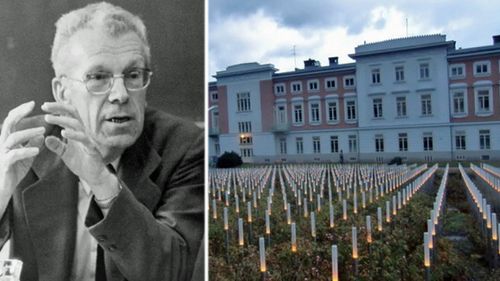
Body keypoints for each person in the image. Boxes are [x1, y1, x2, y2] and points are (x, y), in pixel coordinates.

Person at [0, 2, 204, 281]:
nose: (120, 94)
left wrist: (102, 182)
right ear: (63, 92)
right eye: (98, 77)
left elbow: (174, 271)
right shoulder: (24, 147)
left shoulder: (186, 147)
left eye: (133, 75)